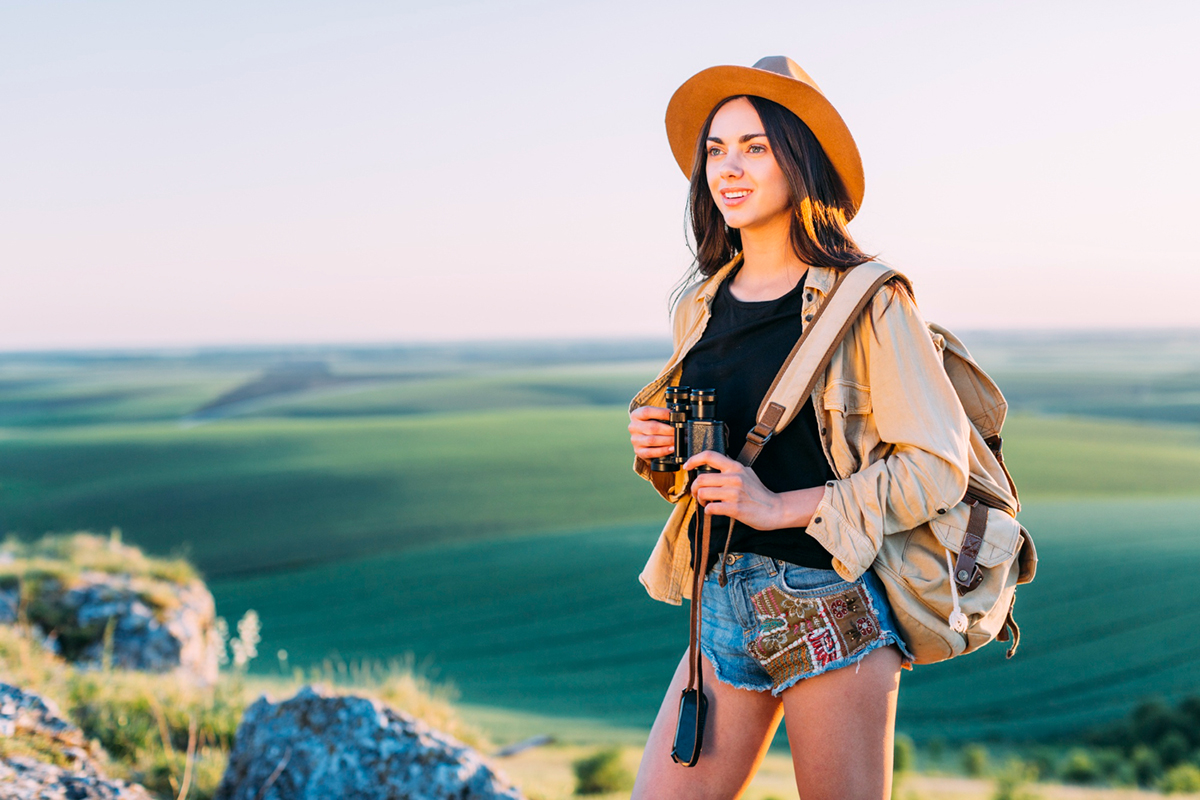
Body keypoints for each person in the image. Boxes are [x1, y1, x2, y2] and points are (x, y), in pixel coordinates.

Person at [626, 57, 972, 800]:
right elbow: (721, 476)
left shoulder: (872, 301)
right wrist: (663, 455)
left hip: (828, 605)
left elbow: (939, 466)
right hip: (718, 600)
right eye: (716, 150)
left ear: (800, 157)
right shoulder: (701, 304)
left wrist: (782, 506)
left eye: (755, 146)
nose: (729, 167)